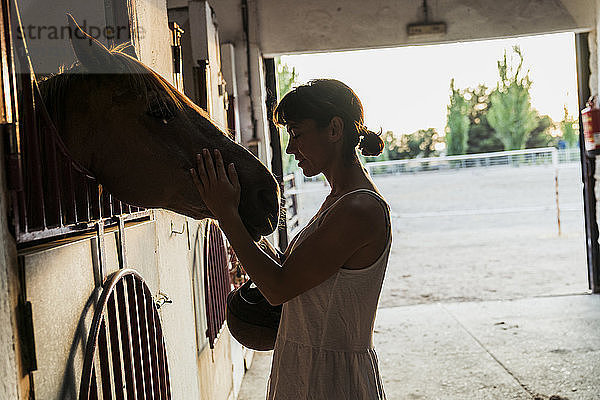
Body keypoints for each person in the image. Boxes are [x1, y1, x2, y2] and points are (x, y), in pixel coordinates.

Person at [190, 79, 391, 399]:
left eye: (297, 133)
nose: (290, 148)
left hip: (329, 380)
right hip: (309, 365)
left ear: (335, 129)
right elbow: (297, 274)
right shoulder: (339, 199)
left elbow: (278, 288)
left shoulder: (358, 208)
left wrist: (226, 213)